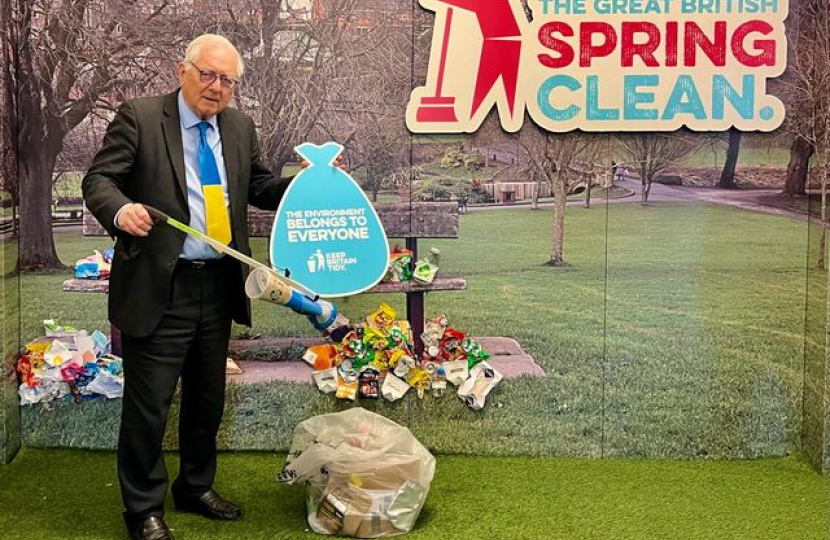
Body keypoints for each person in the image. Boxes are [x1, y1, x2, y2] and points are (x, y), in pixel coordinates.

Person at [83, 34, 289, 540]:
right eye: (208, 75)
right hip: (160, 287)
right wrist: (120, 209)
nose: (216, 88)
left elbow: (260, 186)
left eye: (228, 81)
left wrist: (308, 184)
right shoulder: (140, 115)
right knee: (149, 405)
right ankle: (142, 508)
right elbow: (98, 181)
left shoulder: (239, 126)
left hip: (218, 286)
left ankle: (195, 488)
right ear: (183, 70)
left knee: (207, 398)